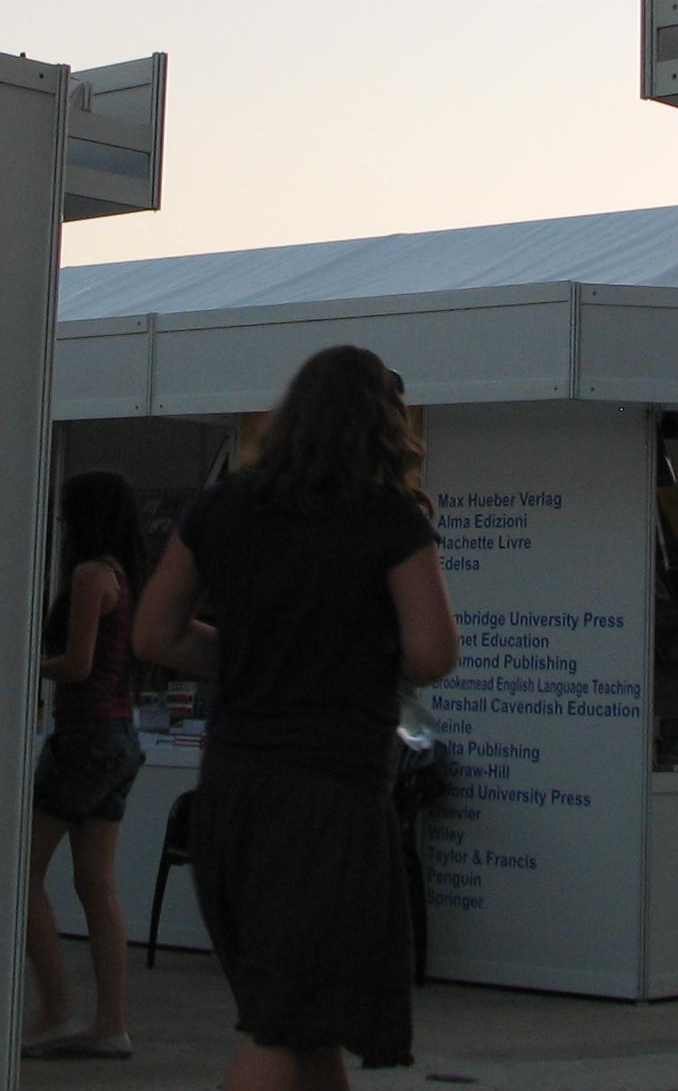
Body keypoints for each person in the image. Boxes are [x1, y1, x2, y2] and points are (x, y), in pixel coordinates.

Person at [135, 347, 459, 1091]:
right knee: (285, 1027)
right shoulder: (388, 517)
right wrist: (341, 658)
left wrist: (258, 656)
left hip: (231, 794)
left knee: (307, 1025)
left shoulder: (222, 506)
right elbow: (432, 654)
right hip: (329, 799)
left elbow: (155, 635)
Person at [24, 468, 151, 1061]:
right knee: (95, 883)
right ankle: (110, 1023)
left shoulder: (88, 576)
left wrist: (19, 662)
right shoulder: (124, 576)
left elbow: (76, 666)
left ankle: (54, 1011)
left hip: (84, 737)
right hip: (120, 737)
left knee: (24, 875)